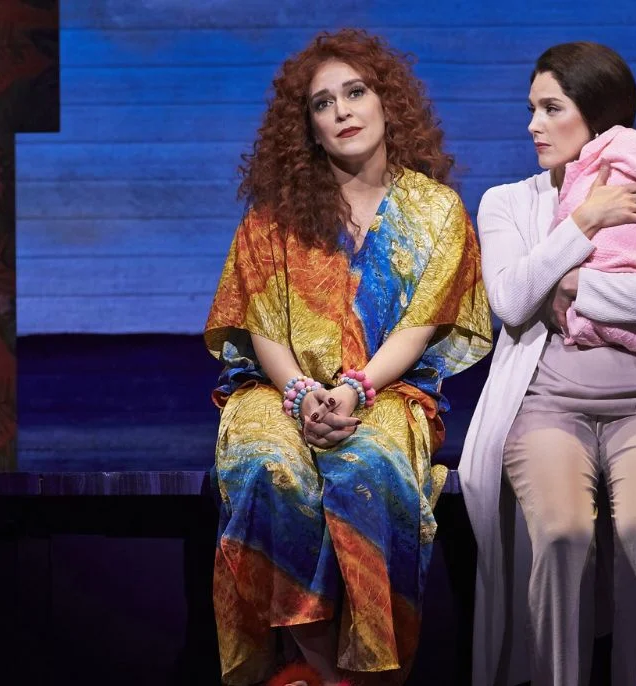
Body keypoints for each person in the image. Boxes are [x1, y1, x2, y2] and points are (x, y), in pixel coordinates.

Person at [203, 29, 492, 686]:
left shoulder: (435, 210)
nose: (342, 111)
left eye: (355, 92)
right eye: (323, 103)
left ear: (386, 102)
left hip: (387, 388)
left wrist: (356, 390)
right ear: (306, 126)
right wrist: (303, 394)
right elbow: (262, 326)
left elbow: (418, 328)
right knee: (266, 462)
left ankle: (372, 670)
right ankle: (327, 677)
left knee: (370, 465)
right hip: (278, 388)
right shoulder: (275, 216)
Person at [459, 41, 636, 686]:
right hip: (548, 402)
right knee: (561, 534)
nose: (533, 124)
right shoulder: (508, 202)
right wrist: (585, 220)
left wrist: (578, 285)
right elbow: (510, 299)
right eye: (531, 108)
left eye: (551, 108)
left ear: (598, 115)